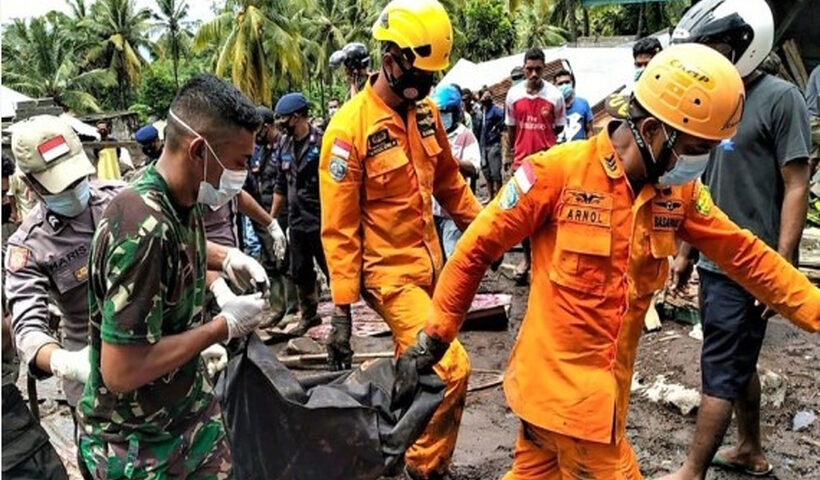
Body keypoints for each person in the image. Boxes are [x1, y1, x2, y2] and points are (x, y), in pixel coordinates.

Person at [392, 43, 820, 480]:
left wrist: (815, 310)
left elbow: (744, 254)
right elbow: (475, 248)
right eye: (696, 147)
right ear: (653, 128)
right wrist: (434, 339)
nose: (701, 161)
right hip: (568, 404)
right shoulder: (555, 174)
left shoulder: (679, 195)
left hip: (599, 402)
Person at [77, 74, 270, 478]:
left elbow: (175, 251)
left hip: (186, 416)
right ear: (199, 150)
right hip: (139, 446)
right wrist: (223, 327)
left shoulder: (179, 199)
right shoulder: (140, 225)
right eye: (239, 162)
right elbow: (120, 371)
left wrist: (224, 257)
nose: (243, 175)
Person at [319, 1, 482, 478]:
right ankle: (422, 468)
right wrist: (341, 314)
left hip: (434, 267)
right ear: (389, 58)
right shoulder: (349, 131)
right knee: (451, 368)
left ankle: (385, 447)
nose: (426, 84)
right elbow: (340, 229)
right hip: (390, 277)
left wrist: (494, 229)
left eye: (433, 74)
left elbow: (452, 185)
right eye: (419, 71)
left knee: (414, 371)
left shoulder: (428, 113)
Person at [662, 1, 810, 478]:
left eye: (717, 48)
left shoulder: (780, 98)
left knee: (721, 365)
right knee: (737, 358)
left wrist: (781, 266)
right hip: (712, 260)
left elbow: (796, 184)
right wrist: (686, 251)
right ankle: (749, 448)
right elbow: (702, 184)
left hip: (749, 265)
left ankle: (691, 470)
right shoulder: (714, 100)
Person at [4, 115, 127, 480]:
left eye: (77, 178)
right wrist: (64, 362)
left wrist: (223, 265)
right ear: (30, 185)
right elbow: (27, 327)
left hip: (154, 358)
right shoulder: (28, 247)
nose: (75, 189)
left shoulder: (122, 199)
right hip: (90, 373)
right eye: (62, 184)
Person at [505, 46, 566, 285]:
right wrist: (514, 156)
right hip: (522, 163)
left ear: (544, 68)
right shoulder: (513, 96)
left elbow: (558, 128)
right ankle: (527, 260)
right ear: (523, 68)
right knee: (523, 214)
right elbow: (511, 128)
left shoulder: (555, 96)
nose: (533, 74)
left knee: (549, 214)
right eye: (529, 69)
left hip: (548, 163)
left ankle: (547, 260)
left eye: (538, 69)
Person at [270, 92, 328, 336]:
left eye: (284, 119)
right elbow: (281, 185)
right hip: (297, 220)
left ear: (297, 117)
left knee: (332, 269)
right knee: (301, 270)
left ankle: (343, 315)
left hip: (322, 219)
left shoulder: (322, 142)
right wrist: (272, 221)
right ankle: (309, 315)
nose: (280, 124)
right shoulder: (284, 144)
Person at [431, 84, 481, 259]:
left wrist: (449, 161)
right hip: (432, 210)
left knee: (453, 256)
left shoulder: (465, 136)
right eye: (439, 113)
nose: (442, 117)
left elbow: (474, 168)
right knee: (436, 258)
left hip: (454, 212)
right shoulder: (431, 136)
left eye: (446, 113)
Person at [479, 88, 505, 199]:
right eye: (484, 97)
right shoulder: (479, 112)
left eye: (488, 97)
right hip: (482, 145)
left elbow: (504, 118)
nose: (486, 99)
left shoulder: (495, 110)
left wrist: (497, 128)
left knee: (495, 173)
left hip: (493, 144)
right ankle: (490, 196)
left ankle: (499, 197)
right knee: (487, 173)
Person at [554, 69, 593, 141]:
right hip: (560, 150)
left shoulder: (583, 103)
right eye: (560, 83)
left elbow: (590, 131)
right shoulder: (551, 106)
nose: (564, 85)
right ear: (555, 86)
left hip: (580, 150)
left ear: (572, 83)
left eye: (567, 82)